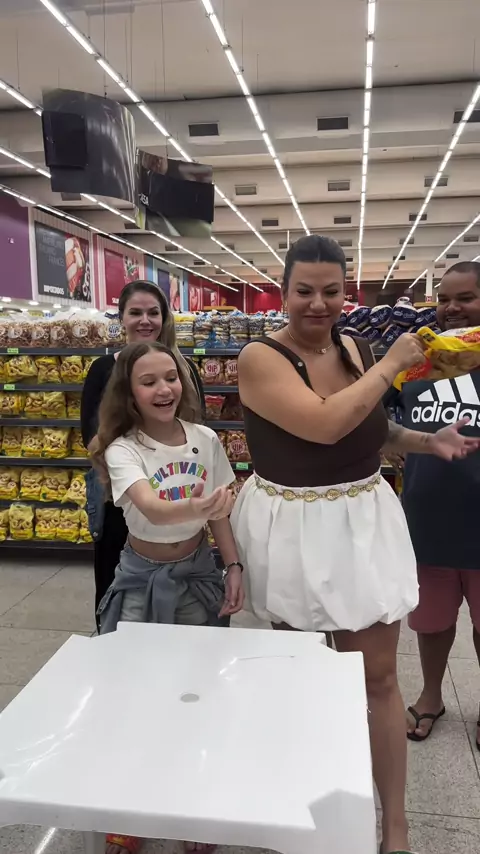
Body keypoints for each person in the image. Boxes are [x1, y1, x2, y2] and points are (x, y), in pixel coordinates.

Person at [230, 235, 479, 854]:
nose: (318, 303)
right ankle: (309, 804)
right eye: (304, 291)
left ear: (347, 293)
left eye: (331, 291)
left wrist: (424, 441)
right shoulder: (260, 358)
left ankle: (395, 827)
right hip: (293, 525)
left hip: (360, 521)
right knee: (303, 675)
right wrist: (390, 365)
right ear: (283, 293)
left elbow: (368, 424)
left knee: (379, 678)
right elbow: (323, 424)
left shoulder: (355, 347)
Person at [90, 341, 244, 854]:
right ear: (130, 393)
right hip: (140, 580)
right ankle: (129, 809)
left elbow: (221, 516)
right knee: (134, 694)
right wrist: (201, 506)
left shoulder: (205, 439)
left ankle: (192, 807)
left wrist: (233, 565)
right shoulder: (123, 449)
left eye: (171, 377)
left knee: (196, 693)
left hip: (197, 574)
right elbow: (152, 508)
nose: (164, 389)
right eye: (149, 381)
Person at [81, 280, 204, 619]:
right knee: (115, 589)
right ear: (121, 317)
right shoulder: (103, 370)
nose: (145, 320)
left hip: (175, 489)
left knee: (183, 599)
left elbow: (198, 433)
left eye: (153, 312)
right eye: (135, 312)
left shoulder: (185, 370)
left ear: (164, 318)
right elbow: (91, 440)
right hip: (119, 497)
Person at [399, 261, 480, 746]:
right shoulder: (418, 363)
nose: (451, 308)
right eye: (444, 299)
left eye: (465, 298)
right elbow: (389, 421)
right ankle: (431, 695)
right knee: (431, 622)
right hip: (428, 522)